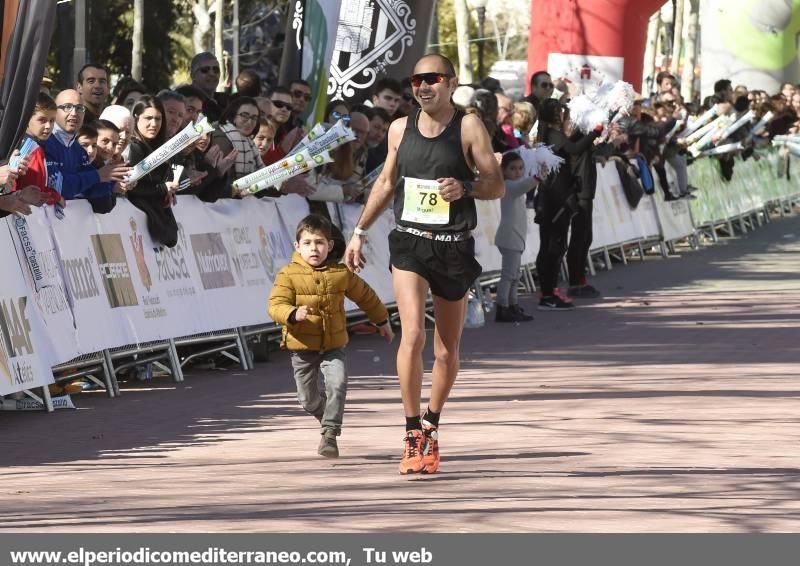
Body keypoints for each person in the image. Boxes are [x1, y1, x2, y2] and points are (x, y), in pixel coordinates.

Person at [343, 53, 504, 475]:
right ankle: (412, 429)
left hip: (452, 247)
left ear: (451, 83)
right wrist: (359, 231)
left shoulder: (468, 126)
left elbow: (496, 185)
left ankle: (432, 420)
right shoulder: (399, 127)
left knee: (447, 349)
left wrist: (465, 187)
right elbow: (385, 181)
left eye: (432, 79)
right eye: (416, 81)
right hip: (410, 244)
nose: (423, 87)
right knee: (411, 332)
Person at [268, 214, 394, 458]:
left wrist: (382, 321)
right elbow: (275, 305)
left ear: (330, 246)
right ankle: (325, 414)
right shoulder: (287, 275)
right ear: (297, 246)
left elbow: (366, 296)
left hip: (334, 345)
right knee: (307, 400)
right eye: (307, 243)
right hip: (302, 347)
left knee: (337, 383)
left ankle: (330, 435)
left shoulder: (340, 274)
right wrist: (293, 313)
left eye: (319, 243)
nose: (313, 248)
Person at [534, 99, 601, 310]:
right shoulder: (552, 134)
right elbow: (573, 148)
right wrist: (595, 132)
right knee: (552, 246)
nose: (564, 116)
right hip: (554, 195)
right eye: (561, 112)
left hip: (558, 193)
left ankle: (551, 290)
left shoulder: (552, 133)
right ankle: (547, 293)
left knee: (555, 245)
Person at [45, 89, 129, 214]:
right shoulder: (45, 142)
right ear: (54, 111)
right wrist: (98, 176)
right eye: (67, 107)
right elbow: (60, 187)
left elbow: (92, 190)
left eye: (79, 108)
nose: (74, 113)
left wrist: (115, 185)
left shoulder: (78, 149)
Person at [126, 95, 179, 247]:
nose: (153, 124)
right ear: (135, 118)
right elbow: (133, 187)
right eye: (148, 118)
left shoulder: (160, 146)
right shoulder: (133, 147)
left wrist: (169, 189)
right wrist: (163, 188)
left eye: (158, 119)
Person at [494, 152, 536, 322]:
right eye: (512, 169)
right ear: (504, 171)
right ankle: (502, 307)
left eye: (520, 168)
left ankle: (512, 305)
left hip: (515, 238)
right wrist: (538, 177)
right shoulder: (509, 186)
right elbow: (524, 186)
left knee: (514, 275)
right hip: (510, 237)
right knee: (508, 276)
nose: (517, 172)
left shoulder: (514, 186)